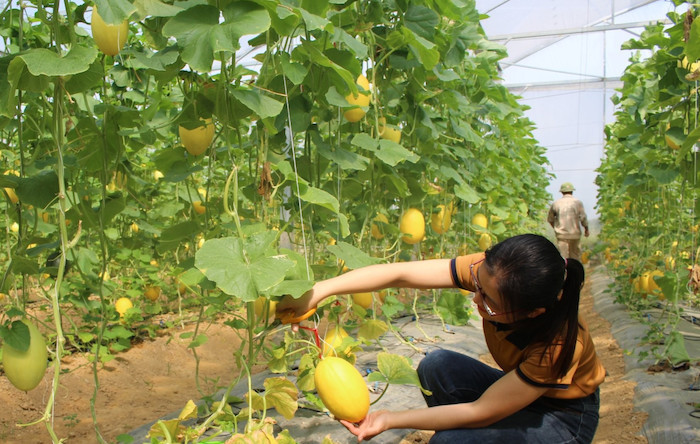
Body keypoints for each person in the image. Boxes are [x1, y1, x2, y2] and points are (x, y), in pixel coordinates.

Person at [278, 234, 605, 443]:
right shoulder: (493, 273)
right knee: (438, 366)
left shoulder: (560, 345)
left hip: (565, 418)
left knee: (450, 443)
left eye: (489, 302)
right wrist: (319, 291)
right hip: (519, 393)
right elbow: (400, 274)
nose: (476, 299)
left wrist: (388, 419)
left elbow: (481, 411)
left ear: (531, 312)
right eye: (476, 284)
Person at [548, 182, 589, 261]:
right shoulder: (578, 203)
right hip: (575, 234)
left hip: (561, 235)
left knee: (563, 258)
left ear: (562, 192)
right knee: (575, 257)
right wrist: (586, 229)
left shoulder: (556, 203)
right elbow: (583, 218)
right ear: (572, 191)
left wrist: (556, 228)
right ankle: (574, 272)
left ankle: (564, 272)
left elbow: (550, 219)